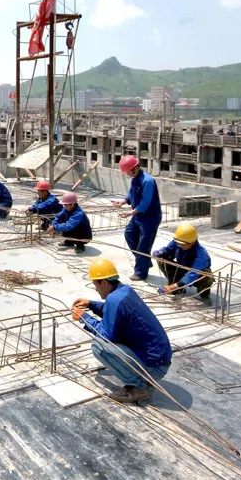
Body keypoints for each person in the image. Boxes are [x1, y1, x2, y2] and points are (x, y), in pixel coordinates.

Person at [72, 259, 172, 403]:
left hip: (155, 367)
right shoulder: (124, 291)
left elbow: (105, 336)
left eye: (96, 285)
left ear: (104, 283)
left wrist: (84, 317)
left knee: (99, 345)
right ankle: (143, 378)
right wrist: (91, 305)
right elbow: (113, 312)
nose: (95, 289)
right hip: (160, 360)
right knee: (108, 341)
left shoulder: (114, 299)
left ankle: (140, 387)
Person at [112, 155, 161, 281]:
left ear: (134, 168)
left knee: (143, 246)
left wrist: (131, 213)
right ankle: (144, 261)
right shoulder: (135, 179)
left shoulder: (148, 181)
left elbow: (145, 202)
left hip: (149, 217)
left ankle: (140, 273)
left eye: (127, 171)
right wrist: (123, 201)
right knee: (129, 234)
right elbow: (131, 194)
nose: (126, 174)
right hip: (138, 215)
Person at [153, 223, 214, 299]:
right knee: (162, 259)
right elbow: (168, 249)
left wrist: (172, 287)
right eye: (179, 243)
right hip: (181, 270)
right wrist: (161, 252)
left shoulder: (201, 254)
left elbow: (193, 273)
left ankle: (204, 294)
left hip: (195, 276)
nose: (180, 245)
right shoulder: (179, 241)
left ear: (193, 242)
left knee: (207, 276)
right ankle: (178, 288)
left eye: (183, 244)